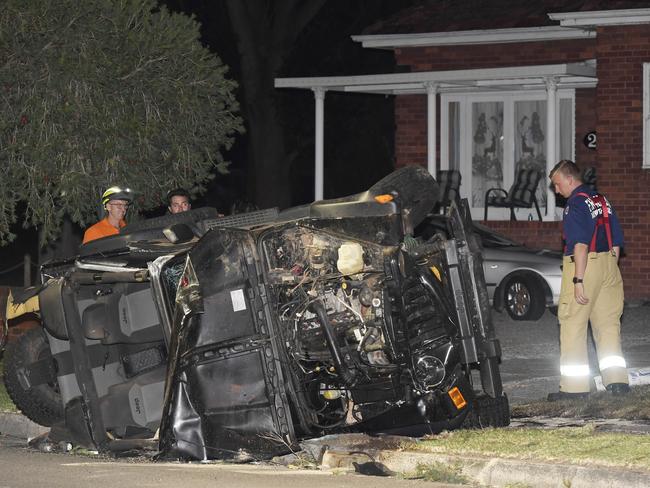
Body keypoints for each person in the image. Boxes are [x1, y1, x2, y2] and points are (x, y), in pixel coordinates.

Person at [547, 160, 629, 401]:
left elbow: (580, 245)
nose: (556, 190)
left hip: (586, 265)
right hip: (609, 266)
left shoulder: (575, 204)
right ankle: (617, 382)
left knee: (573, 324)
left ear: (570, 180)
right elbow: (615, 242)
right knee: (608, 326)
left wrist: (579, 279)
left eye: (557, 184)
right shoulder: (601, 200)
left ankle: (574, 388)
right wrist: (608, 268)